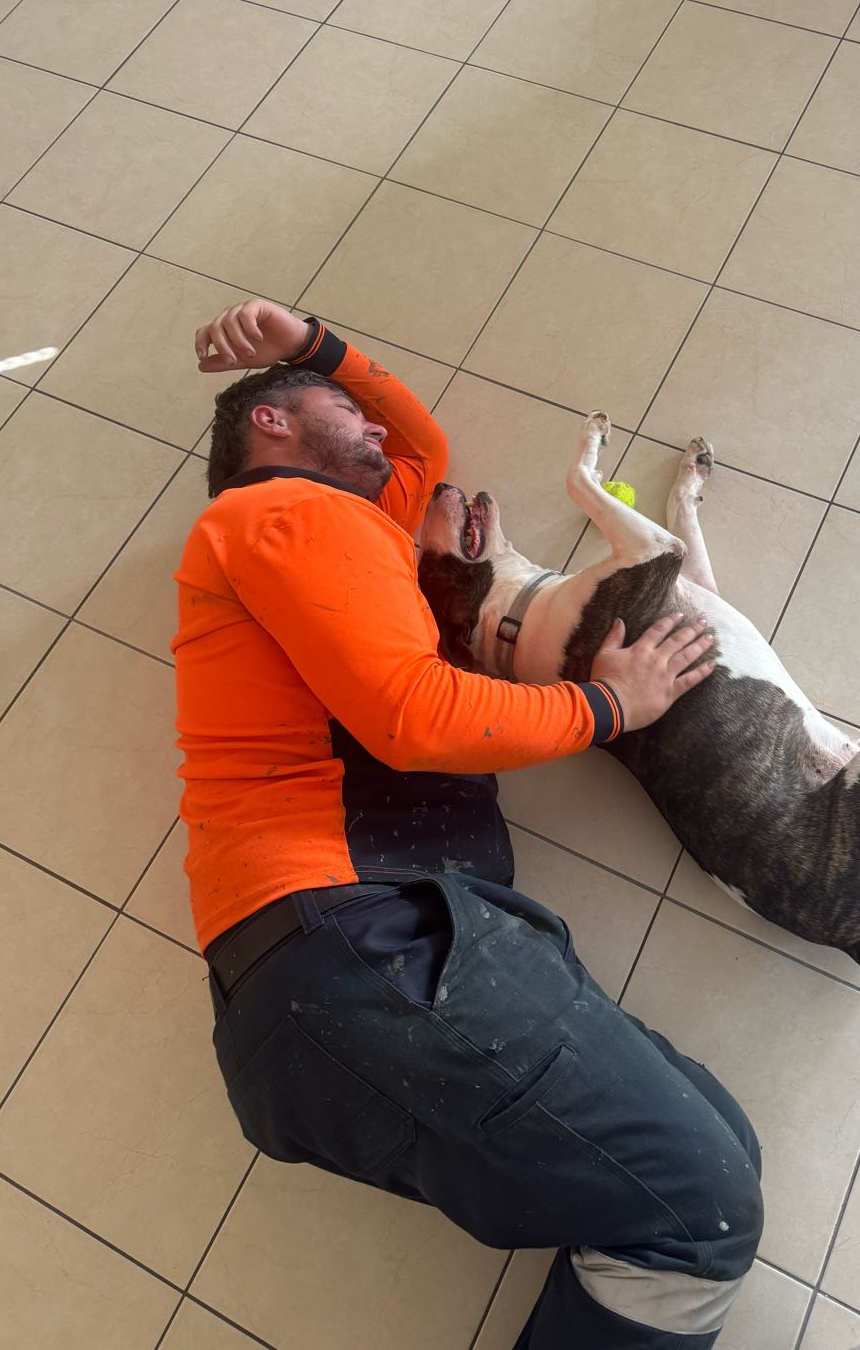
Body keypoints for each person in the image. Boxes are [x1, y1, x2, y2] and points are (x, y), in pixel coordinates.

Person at [175, 298, 763, 1349]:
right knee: (696, 1211)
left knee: (718, 1146)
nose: (373, 421)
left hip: (359, 954)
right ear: (271, 425)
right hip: (355, 934)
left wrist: (313, 344)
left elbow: (420, 449)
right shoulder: (281, 513)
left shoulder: (341, 530)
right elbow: (411, 720)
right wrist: (609, 705)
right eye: (340, 407)